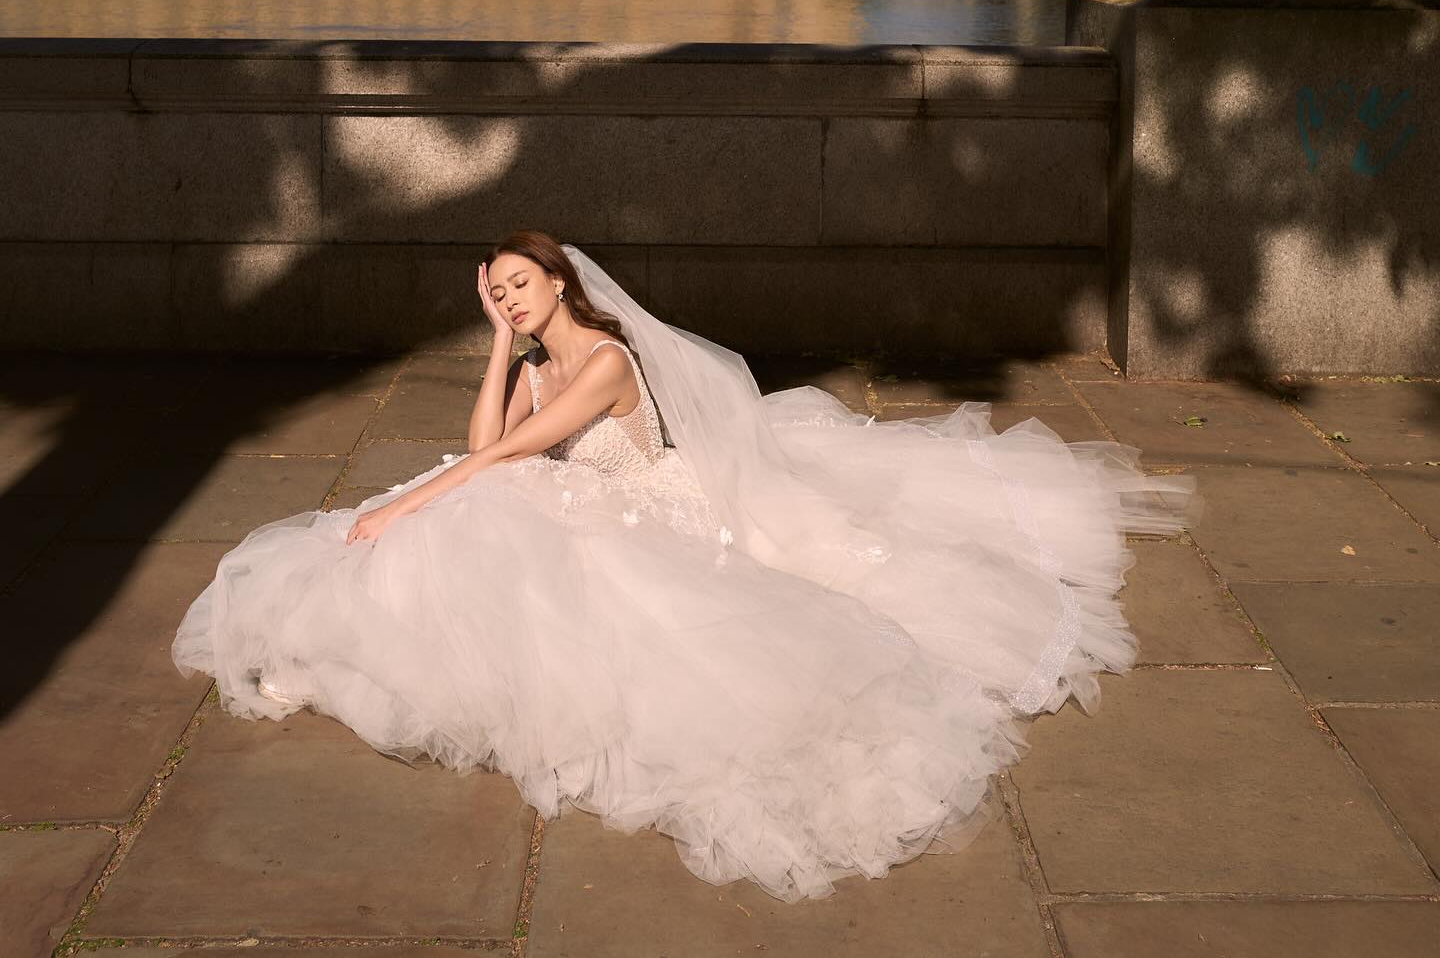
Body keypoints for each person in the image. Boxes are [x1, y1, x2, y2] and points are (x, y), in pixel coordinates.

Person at [174, 232, 1192, 902]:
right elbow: (485, 433)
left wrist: (402, 501)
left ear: (561, 280)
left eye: (519, 287)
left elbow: (503, 457)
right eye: (495, 295)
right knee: (464, 509)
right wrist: (495, 348)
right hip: (573, 492)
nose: (511, 303)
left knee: (461, 508)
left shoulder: (608, 360)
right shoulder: (536, 357)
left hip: (659, 506)